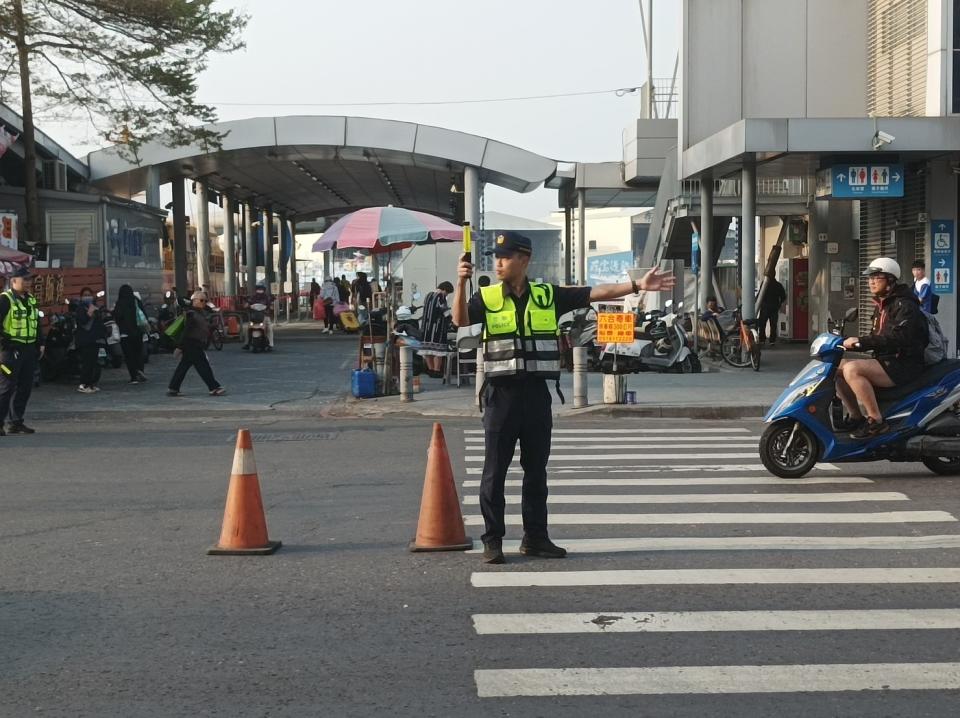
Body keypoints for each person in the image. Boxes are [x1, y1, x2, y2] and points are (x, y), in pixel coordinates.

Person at [451, 231, 675, 564]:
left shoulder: (547, 295)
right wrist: (459, 283)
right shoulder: (487, 297)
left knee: (536, 472)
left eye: (506, 256)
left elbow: (594, 292)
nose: (498, 262)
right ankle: (493, 540)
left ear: (524, 260)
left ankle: (535, 539)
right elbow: (460, 321)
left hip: (537, 396)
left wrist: (637, 286)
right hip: (502, 396)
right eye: (496, 257)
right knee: (494, 473)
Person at [836, 257, 928, 439]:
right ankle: (856, 416)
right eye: (870, 277)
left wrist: (862, 341)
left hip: (904, 364)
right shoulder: (883, 305)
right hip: (887, 361)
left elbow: (899, 337)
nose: (871, 281)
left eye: (877, 277)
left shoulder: (905, 305)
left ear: (891, 280)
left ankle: (876, 421)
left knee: (852, 369)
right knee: (836, 367)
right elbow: (878, 337)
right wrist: (854, 342)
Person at [0, 266, 43, 435]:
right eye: (24, 280)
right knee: (6, 388)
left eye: (29, 279)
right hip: (10, 351)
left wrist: (41, 343)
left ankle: (15, 422)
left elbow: (36, 323)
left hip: (29, 349)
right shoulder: (5, 300)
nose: (28, 283)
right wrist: (6, 344)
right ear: (13, 281)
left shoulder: (31, 300)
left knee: (25, 387)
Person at [168, 291, 226, 397]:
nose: (204, 302)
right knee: (203, 366)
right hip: (192, 344)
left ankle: (173, 387)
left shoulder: (199, 312)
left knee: (184, 366)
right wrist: (180, 347)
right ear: (194, 301)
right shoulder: (191, 314)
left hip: (194, 344)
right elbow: (187, 331)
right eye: (201, 300)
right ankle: (214, 387)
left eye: (205, 300)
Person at [113, 284, 148, 384]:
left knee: (129, 356)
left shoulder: (120, 302)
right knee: (138, 354)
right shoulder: (136, 301)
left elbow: (118, 316)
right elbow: (144, 314)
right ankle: (140, 371)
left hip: (125, 334)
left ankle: (133, 377)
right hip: (138, 333)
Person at [74, 287, 105, 393]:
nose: (87, 297)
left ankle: (91, 384)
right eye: (85, 295)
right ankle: (83, 384)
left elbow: (99, 322)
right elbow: (82, 321)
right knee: (87, 363)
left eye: (89, 295)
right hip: (85, 339)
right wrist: (89, 313)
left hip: (94, 339)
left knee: (93, 363)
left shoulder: (94, 306)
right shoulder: (80, 308)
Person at [420, 281, 454, 376]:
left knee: (427, 350)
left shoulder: (428, 295)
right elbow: (445, 311)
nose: (447, 295)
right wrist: (452, 320)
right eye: (448, 292)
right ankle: (437, 371)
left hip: (426, 328)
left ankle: (430, 370)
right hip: (436, 328)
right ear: (445, 290)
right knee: (438, 351)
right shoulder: (441, 296)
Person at [242, 284, 274, 350]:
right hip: (254, 316)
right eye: (258, 289)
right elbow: (246, 304)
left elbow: (271, 305)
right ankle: (247, 343)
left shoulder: (267, 297)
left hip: (265, 316)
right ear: (256, 290)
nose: (260, 291)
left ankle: (270, 344)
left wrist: (270, 307)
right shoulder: (252, 297)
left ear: (264, 290)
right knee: (247, 328)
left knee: (269, 329)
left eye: (261, 289)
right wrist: (246, 305)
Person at [757, 275, 787, 345]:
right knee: (773, 324)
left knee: (762, 323)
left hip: (765, 307)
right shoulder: (778, 285)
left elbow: (760, 295)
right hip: (774, 307)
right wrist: (779, 305)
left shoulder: (764, 284)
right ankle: (772, 340)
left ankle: (762, 339)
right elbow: (783, 296)